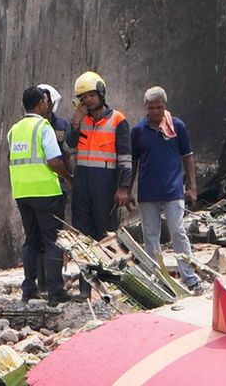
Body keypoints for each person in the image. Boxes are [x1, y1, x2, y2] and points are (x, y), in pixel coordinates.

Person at [130, 86, 202, 292]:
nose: (155, 112)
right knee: (151, 236)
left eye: (159, 107)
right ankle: (156, 279)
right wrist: (128, 189)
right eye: (151, 108)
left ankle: (190, 278)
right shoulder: (138, 131)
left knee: (178, 232)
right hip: (148, 192)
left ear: (165, 107)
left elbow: (188, 157)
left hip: (173, 190)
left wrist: (193, 187)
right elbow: (134, 162)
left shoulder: (177, 126)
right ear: (145, 107)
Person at [8, 85, 73, 304]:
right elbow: (54, 161)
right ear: (40, 104)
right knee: (53, 240)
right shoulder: (43, 127)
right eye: (45, 102)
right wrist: (69, 177)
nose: (48, 105)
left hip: (22, 192)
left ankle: (29, 289)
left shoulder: (14, 130)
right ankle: (56, 292)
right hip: (46, 191)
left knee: (31, 241)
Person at [69, 71, 133, 240]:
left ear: (101, 94)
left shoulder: (118, 120)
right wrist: (75, 122)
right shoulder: (80, 120)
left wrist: (123, 188)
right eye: (84, 97)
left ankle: (105, 266)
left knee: (105, 232)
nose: (88, 100)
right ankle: (87, 267)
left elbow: (125, 158)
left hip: (105, 182)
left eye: (91, 95)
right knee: (82, 232)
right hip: (82, 181)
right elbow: (68, 147)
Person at [38, 83, 74, 195]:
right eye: (43, 101)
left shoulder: (62, 125)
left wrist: (71, 177)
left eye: (48, 100)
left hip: (60, 180)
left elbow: (68, 154)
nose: (46, 104)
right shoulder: (31, 126)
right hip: (38, 179)